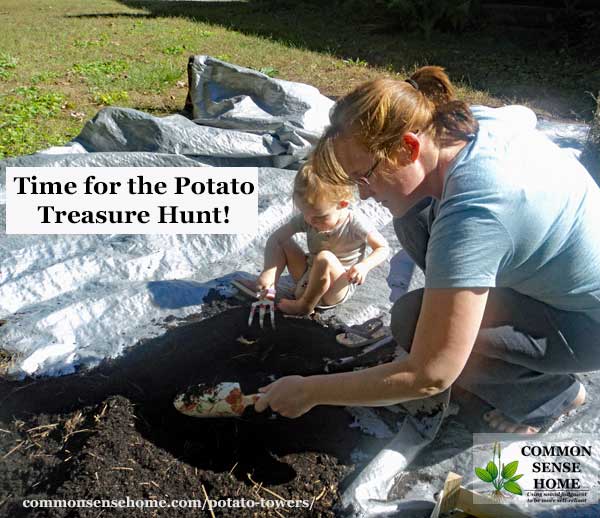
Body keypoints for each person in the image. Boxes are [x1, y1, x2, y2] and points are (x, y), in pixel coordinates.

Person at [254, 66, 600, 434]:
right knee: (414, 217)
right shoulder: (460, 123)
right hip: (553, 279)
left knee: (412, 323)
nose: (364, 193)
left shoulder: (476, 213)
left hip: (585, 326)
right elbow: (523, 115)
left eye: (363, 176)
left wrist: (309, 391)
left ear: (408, 147)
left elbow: (431, 374)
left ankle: (550, 398)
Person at [253, 163, 389, 315]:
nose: (312, 221)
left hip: (337, 286)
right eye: (305, 213)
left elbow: (383, 248)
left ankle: (304, 306)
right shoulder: (311, 218)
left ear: (342, 204)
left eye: (320, 216)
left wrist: (364, 266)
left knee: (324, 257)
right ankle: (269, 289)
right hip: (307, 277)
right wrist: (269, 271)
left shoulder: (354, 222)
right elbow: (276, 238)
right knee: (284, 242)